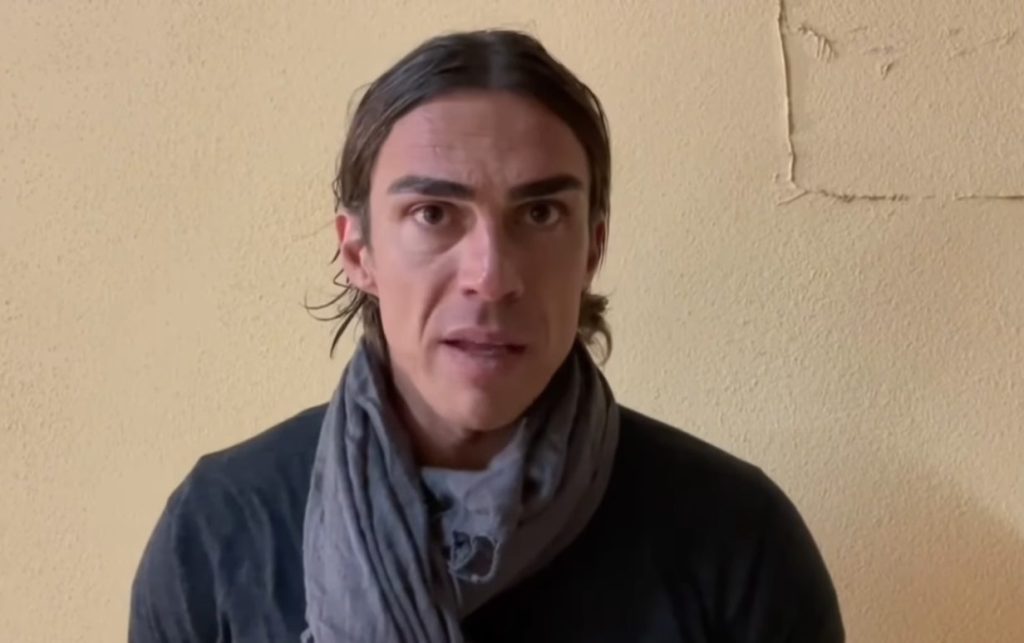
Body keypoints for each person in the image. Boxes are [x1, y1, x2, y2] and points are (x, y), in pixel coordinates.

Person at [129, 29, 844, 643]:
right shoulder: (220, 531)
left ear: (592, 250)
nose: (492, 277)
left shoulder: (736, 538)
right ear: (358, 252)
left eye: (540, 215)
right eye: (433, 213)